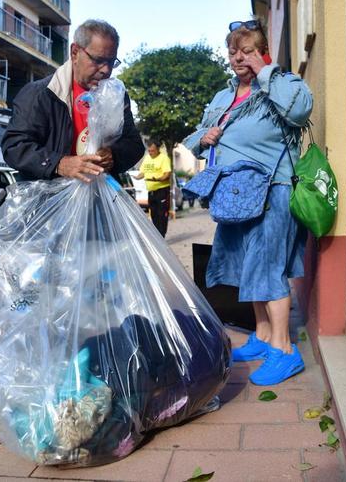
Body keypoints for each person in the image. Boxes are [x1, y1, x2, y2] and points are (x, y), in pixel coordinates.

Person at [182, 19, 313, 386]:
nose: (239, 57)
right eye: (233, 51)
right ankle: (262, 335)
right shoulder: (224, 96)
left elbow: (300, 111)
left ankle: (285, 351)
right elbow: (196, 134)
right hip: (234, 195)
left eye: (248, 50)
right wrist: (202, 138)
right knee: (244, 268)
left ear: (262, 52)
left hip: (272, 191)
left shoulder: (282, 83)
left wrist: (265, 71)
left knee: (268, 269)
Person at [2, 19, 144, 182]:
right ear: (75, 52)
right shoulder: (40, 94)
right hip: (50, 202)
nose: (105, 70)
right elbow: (14, 146)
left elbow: (135, 145)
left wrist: (114, 155)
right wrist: (59, 164)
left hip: (98, 200)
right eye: (98, 60)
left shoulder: (115, 97)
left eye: (111, 62)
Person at [132, 141, 172, 237]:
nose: (150, 153)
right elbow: (143, 172)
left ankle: (162, 236)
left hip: (162, 191)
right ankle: (158, 236)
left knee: (162, 215)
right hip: (151, 192)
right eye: (149, 151)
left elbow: (167, 174)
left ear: (158, 149)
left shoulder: (164, 158)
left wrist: (158, 179)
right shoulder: (147, 159)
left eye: (152, 151)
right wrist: (137, 177)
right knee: (154, 215)